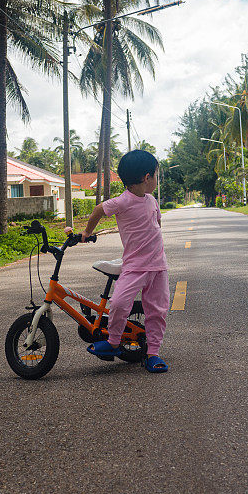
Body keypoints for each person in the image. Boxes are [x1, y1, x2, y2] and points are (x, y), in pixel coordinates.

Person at [80, 149, 169, 373]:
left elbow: (156, 225)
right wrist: (86, 233)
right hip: (134, 266)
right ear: (147, 177)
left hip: (158, 267)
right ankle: (113, 342)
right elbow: (98, 209)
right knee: (119, 304)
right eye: (156, 175)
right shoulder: (122, 201)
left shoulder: (152, 201)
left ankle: (153, 354)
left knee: (157, 311)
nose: (156, 180)